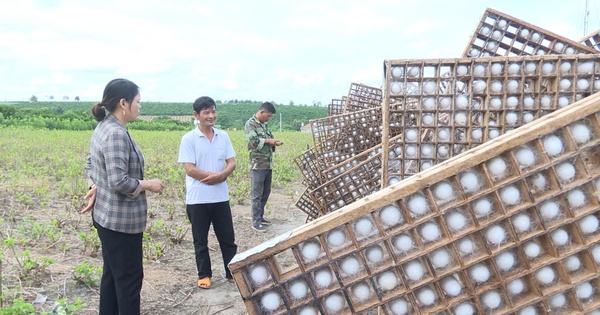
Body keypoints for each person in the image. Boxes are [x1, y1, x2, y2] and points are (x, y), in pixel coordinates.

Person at [81, 78, 164, 315]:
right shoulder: (116, 133)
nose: (140, 106)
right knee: (129, 281)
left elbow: (92, 166)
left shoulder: (104, 127)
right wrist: (148, 184)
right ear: (123, 103)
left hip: (106, 218)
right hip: (120, 223)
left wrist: (94, 185)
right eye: (138, 101)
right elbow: (118, 181)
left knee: (112, 277)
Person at [178, 96, 238, 289]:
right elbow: (189, 168)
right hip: (197, 199)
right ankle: (204, 275)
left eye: (213, 111)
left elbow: (232, 162)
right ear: (196, 115)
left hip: (220, 197)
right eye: (206, 112)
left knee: (227, 238)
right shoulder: (188, 139)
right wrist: (211, 177)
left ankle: (232, 272)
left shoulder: (223, 136)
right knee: (200, 240)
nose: (211, 115)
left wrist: (221, 176)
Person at [244, 102, 283, 232]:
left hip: (267, 163)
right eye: (268, 115)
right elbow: (253, 142)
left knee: (266, 192)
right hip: (257, 165)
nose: (269, 118)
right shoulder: (250, 124)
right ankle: (255, 222)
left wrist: (274, 142)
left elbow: (269, 138)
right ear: (261, 112)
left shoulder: (264, 125)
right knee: (257, 194)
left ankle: (260, 217)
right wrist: (268, 141)